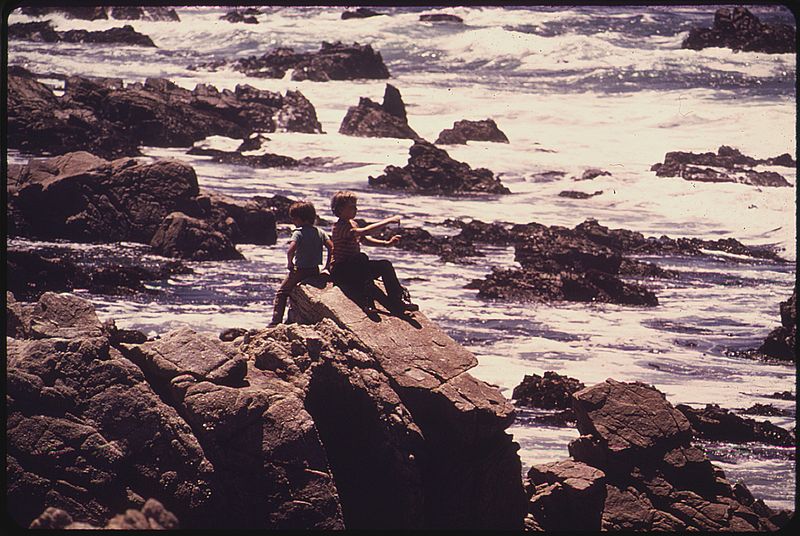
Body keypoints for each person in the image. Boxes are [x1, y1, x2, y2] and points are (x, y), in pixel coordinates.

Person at [329, 190, 418, 314]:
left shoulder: (353, 223)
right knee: (361, 258)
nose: (356, 209)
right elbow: (364, 232)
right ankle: (367, 302)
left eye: (356, 206)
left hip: (356, 268)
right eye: (351, 207)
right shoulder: (339, 227)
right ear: (339, 209)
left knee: (385, 265)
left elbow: (364, 239)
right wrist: (388, 221)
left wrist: (386, 244)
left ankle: (397, 300)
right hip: (342, 270)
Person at [269, 201, 332, 326]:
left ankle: (275, 322)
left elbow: (290, 250)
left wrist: (290, 263)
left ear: (298, 219)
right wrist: (327, 265)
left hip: (301, 270)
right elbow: (331, 247)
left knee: (282, 293)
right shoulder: (320, 232)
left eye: (293, 219)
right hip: (315, 269)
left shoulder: (298, 232)